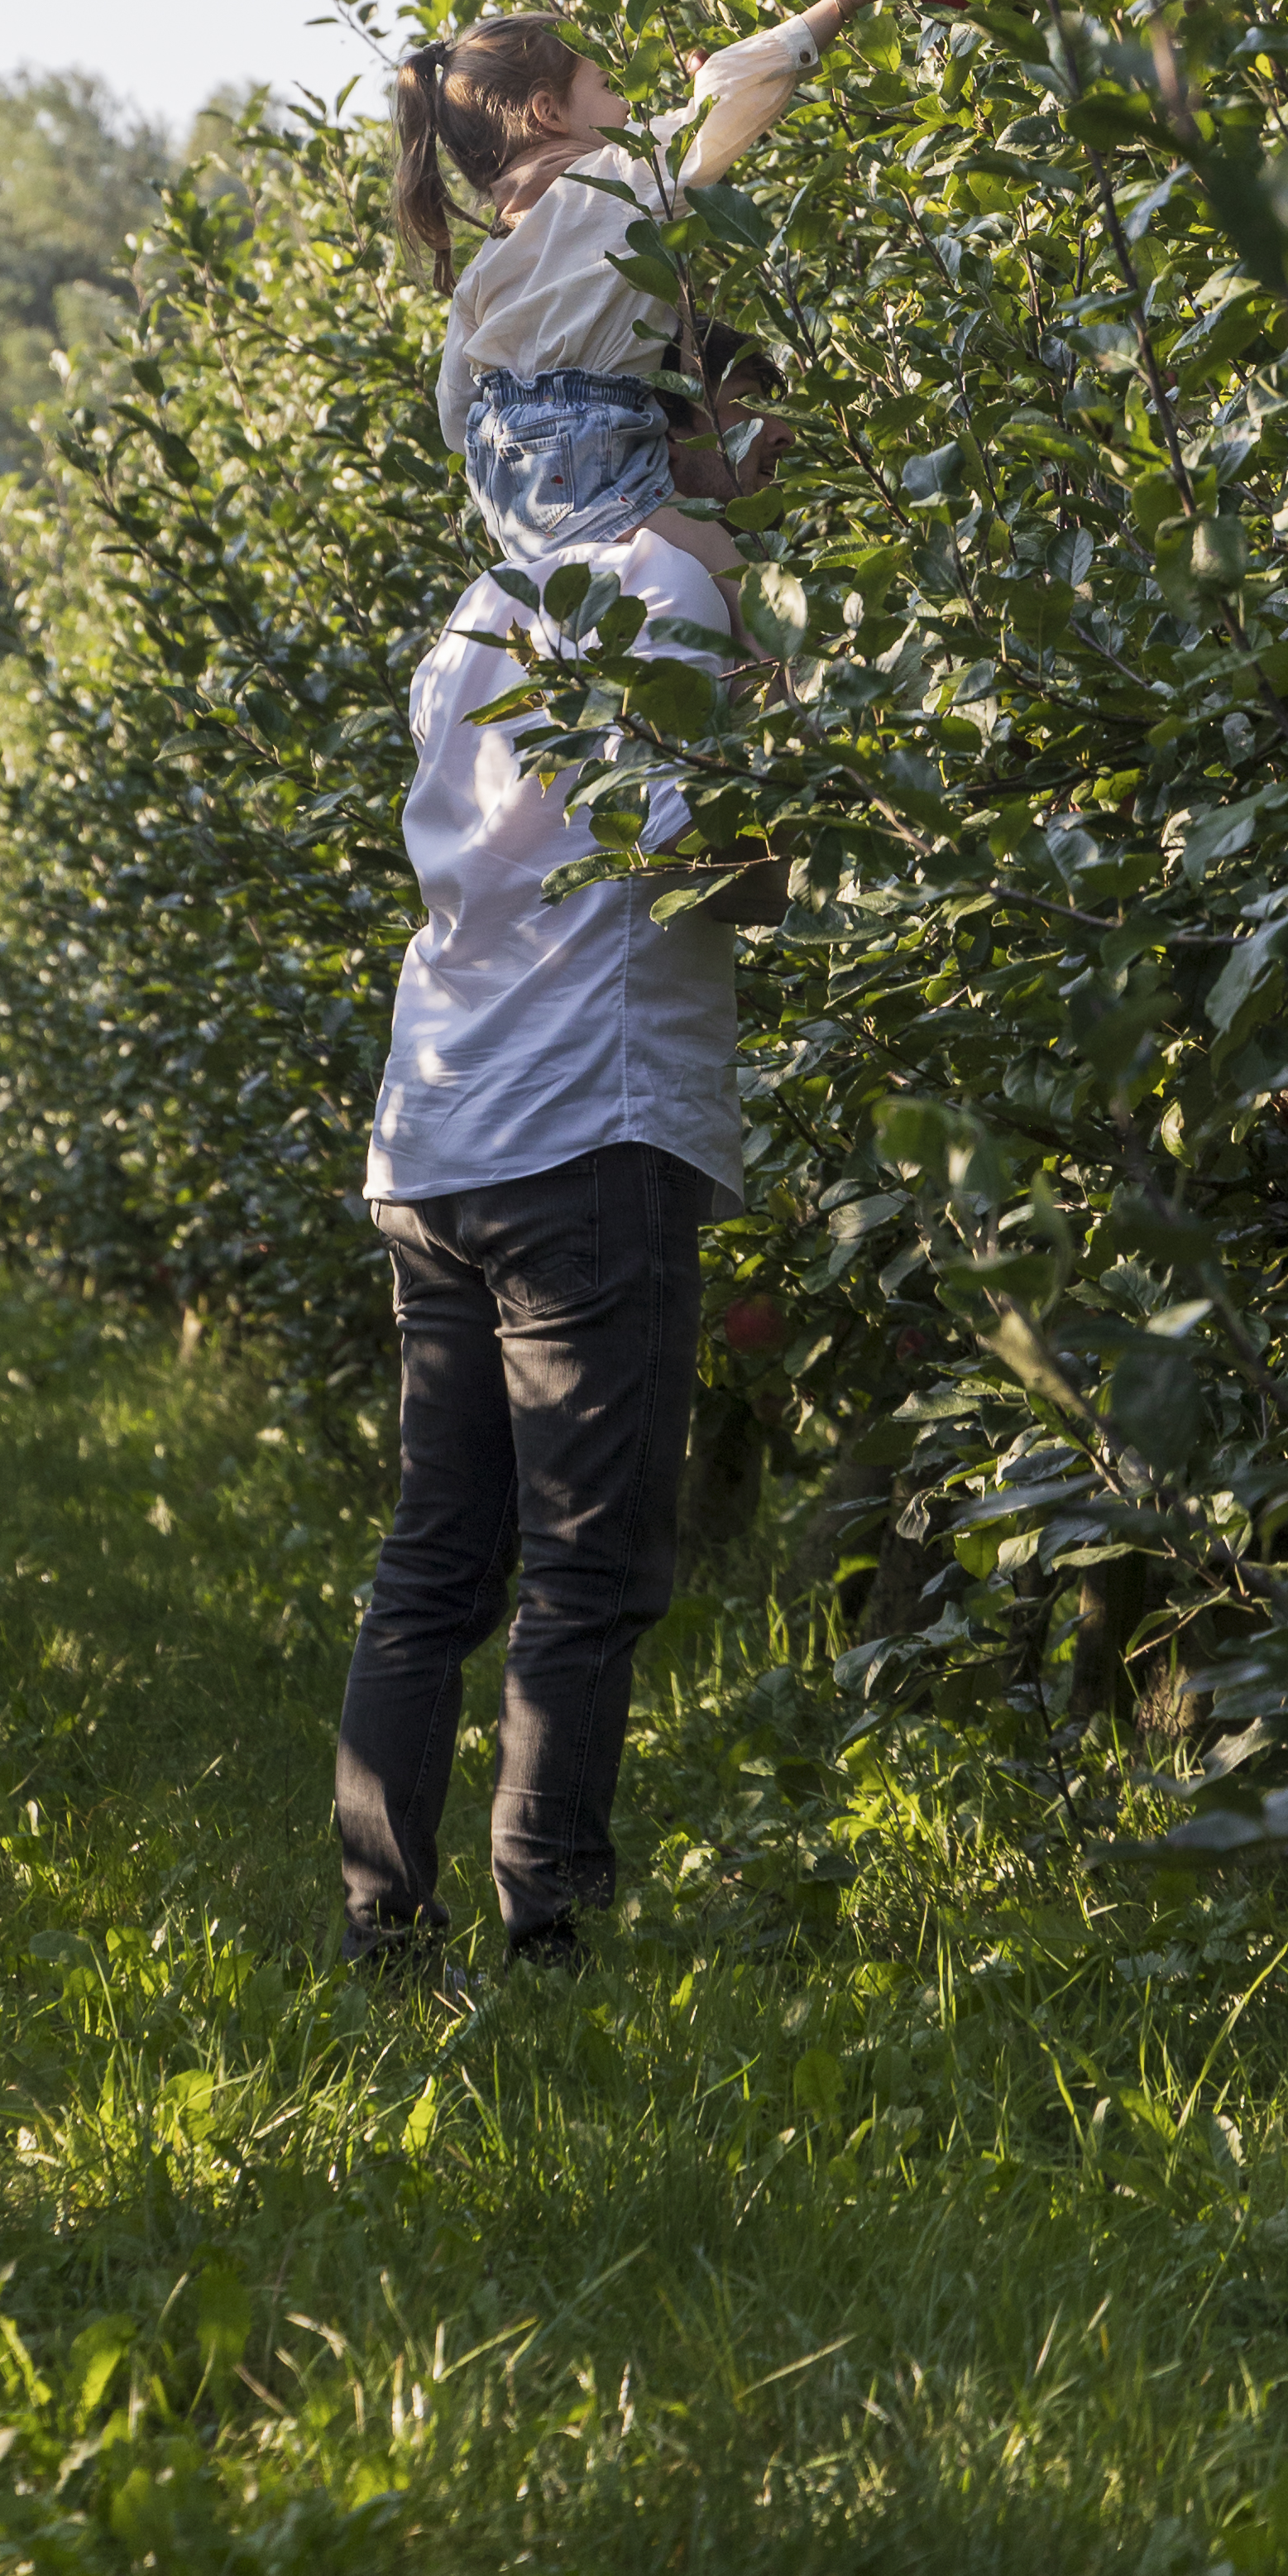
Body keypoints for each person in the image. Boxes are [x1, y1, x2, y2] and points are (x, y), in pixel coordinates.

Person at [333, 362, 789, 1974]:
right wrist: (801, 751)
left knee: (436, 1557)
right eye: (752, 420)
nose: (772, 458)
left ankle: (384, 1931)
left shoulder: (478, 607)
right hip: (585, 1128)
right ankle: (553, 1948)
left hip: (437, 1132)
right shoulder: (666, 588)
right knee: (587, 1569)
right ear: (677, 429)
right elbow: (715, 870)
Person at [387, 0, 899, 610]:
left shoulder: (485, 269)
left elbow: (454, 416)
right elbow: (728, 98)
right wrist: (847, 0)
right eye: (606, 86)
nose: (627, 105)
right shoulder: (616, 179)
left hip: (509, 495)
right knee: (754, 608)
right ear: (547, 112)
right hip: (592, 461)